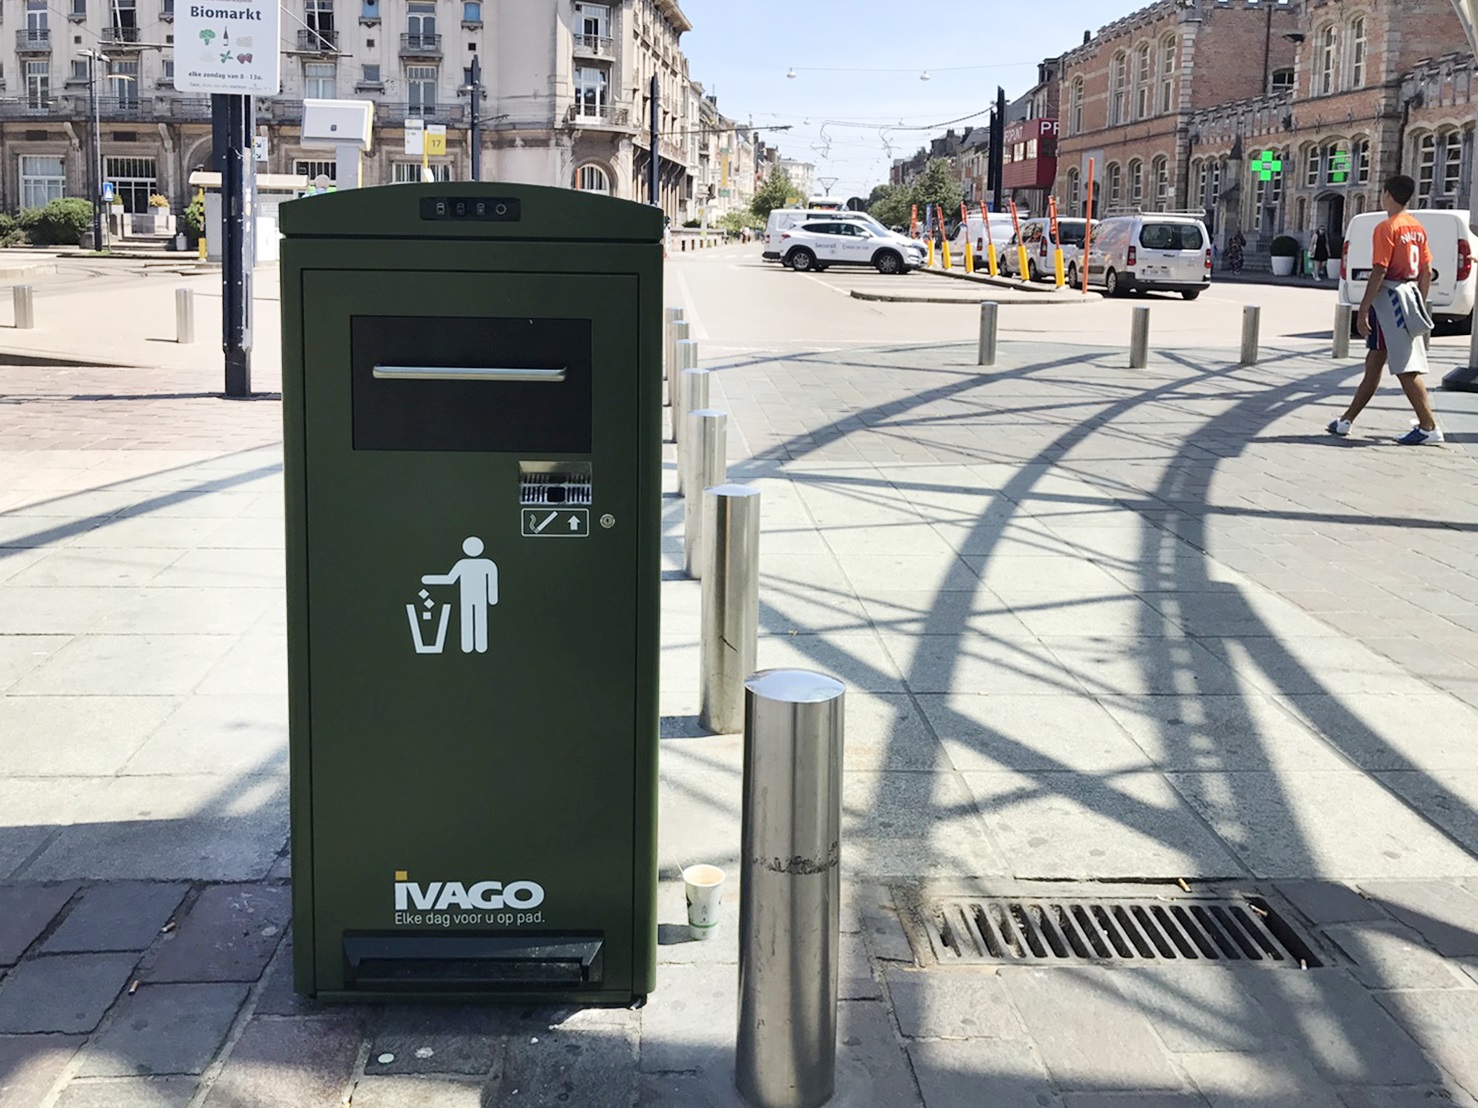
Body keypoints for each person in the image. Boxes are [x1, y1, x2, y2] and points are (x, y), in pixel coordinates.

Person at [1328, 175, 1442, 445]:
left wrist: (1364, 308)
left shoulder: (1387, 227)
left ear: (1387, 194)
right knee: (1375, 361)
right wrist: (1418, 301)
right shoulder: (1417, 227)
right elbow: (1426, 270)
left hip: (1389, 298)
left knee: (1403, 365)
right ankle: (1346, 420)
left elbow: (1379, 268)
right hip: (1408, 293)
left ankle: (1428, 426)